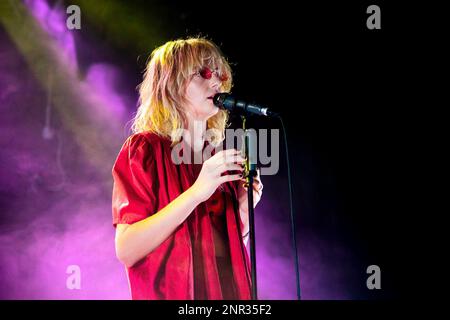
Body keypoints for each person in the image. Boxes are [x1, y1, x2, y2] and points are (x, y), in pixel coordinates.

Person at [111, 37, 263, 300]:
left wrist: (243, 214)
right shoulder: (145, 149)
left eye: (220, 73)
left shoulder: (216, 158)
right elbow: (127, 249)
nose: (216, 82)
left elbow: (220, 259)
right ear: (171, 83)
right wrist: (196, 193)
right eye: (203, 72)